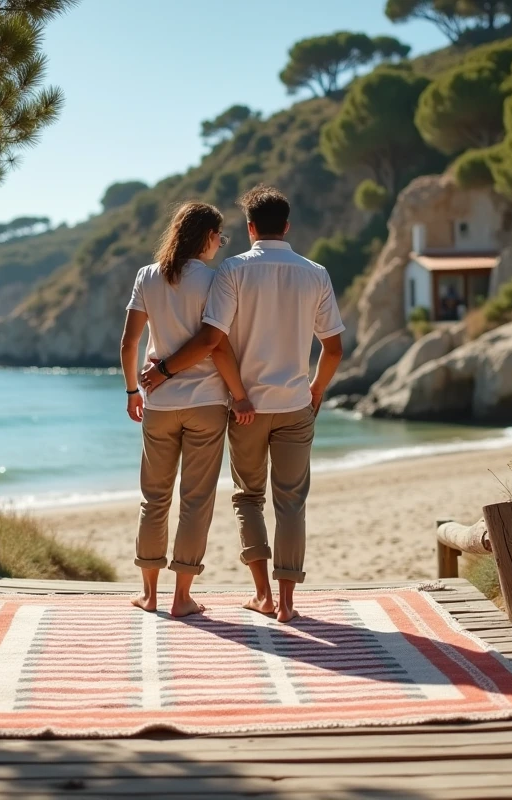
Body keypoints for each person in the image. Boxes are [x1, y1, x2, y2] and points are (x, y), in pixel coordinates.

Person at [140, 185, 344, 623]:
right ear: (286, 227)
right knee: (291, 502)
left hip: (246, 406)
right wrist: (316, 390)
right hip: (294, 404)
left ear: (250, 227)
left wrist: (236, 394)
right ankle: (288, 604)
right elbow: (334, 348)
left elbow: (215, 340)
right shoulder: (316, 273)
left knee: (248, 497)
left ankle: (263, 596)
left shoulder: (231, 271)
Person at [120, 202, 256, 618]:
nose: (221, 244)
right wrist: (239, 394)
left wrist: (132, 391)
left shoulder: (148, 275)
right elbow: (216, 344)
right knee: (196, 501)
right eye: (220, 236)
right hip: (206, 404)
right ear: (208, 236)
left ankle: (149, 594)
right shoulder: (216, 280)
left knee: (153, 499)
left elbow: (129, 343)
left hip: (159, 403)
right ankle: (182, 597)